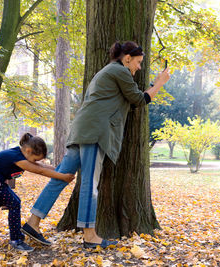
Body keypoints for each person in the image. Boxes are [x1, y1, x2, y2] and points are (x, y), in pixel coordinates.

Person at [21, 41, 171, 249]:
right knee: (90, 184)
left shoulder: (111, 72)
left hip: (83, 130)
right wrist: (159, 83)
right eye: (138, 62)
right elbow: (139, 100)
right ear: (127, 58)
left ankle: (32, 222)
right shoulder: (120, 71)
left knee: (61, 177)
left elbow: (130, 101)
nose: (139, 67)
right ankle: (90, 235)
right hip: (93, 133)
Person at [0, 133, 75, 252]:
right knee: (14, 203)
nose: (35, 161)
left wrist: (59, 171)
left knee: (14, 203)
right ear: (28, 150)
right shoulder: (16, 157)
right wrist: (62, 177)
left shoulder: (21, 154)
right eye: (35, 158)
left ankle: (17, 238)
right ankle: (16, 240)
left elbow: (40, 165)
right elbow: (40, 170)